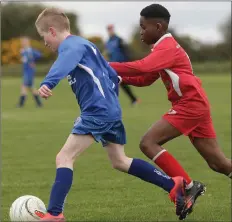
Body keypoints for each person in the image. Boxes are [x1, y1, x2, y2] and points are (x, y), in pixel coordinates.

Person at [35, 7, 191, 222]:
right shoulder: (88, 46)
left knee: (64, 157)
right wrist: (110, 103)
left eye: (44, 37)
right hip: (108, 110)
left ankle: (54, 213)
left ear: (52, 31)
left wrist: (48, 82)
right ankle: (172, 184)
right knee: (119, 160)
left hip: (98, 111)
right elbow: (111, 74)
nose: (45, 43)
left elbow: (64, 62)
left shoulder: (71, 46)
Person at [110, 2, 232, 217]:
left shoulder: (166, 47)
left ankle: (187, 186)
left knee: (148, 142)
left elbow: (142, 67)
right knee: (219, 164)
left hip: (190, 104)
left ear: (158, 27)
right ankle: (188, 186)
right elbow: (146, 78)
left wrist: (103, 66)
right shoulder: (161, 49)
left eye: (143, 27)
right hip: (194, 105)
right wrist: (119, 77)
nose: (140, 32)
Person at [105, 24, 140, 106]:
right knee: (116, 83)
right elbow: (109, 54)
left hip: (121, 65)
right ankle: (133, 99)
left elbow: (126, 51)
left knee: (121, 83)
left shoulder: (119, 40)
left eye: (111, 29)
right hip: (112, 66)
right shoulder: (108, 42)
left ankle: (133, 99)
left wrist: (128, 63)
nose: (110, 31)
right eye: (108, 29)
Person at [17, 36, 43, 108]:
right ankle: (39, 103)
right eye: (22, 42)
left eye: (24, 42)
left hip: (29, 72)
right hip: (25, 71)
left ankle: (21, 104)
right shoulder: (23, 51)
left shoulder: (30, 51)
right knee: (31, 87)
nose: (22, 43)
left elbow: (39, 55)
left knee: (24, 86)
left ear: (27, 42)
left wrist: (33, 61)